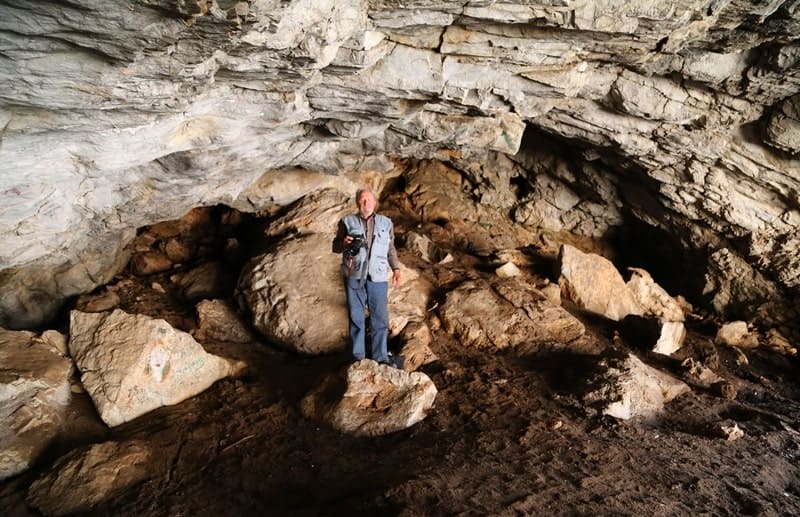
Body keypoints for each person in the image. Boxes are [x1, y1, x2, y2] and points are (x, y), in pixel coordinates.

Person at [333, 188, 402, 367]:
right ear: (357, 202)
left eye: (369, 199)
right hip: (354, 276)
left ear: (375, 201)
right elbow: (335, 247)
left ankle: (380, 357)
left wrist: (396, 269)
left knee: (380, 319)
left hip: (377, 277)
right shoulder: (347, 222)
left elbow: (390, 249)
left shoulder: (386, 223)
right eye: (362, 200)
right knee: (356, 318)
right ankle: (358, 358)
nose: (366, 203)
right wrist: (343, 243)